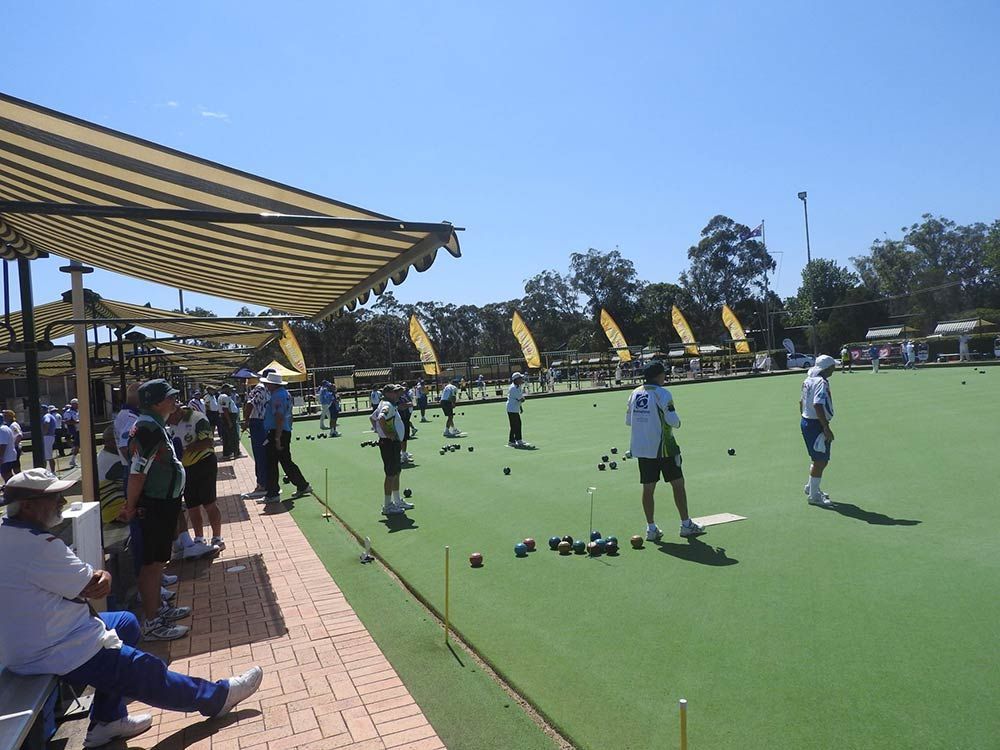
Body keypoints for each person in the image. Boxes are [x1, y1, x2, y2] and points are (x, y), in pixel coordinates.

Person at [0, 468, 263, 748]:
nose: (61, 503)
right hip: (59, 646)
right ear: (27, 506)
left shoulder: (10, 534)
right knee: (147, 671)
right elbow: (93, 584)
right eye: (53, 498)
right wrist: (104, 575)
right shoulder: (40, 545)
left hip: (30, 642)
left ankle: (107, 720)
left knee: (125, 623)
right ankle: (217, 698)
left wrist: (95, 579)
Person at [119, 379, 193, 640]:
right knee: (151, 564)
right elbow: (137, 472)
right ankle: (152, 622)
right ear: (157, 402)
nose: (175, 401)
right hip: (153, 504)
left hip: (162, 502)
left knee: (158, 561)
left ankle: (157, 610)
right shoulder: (147, 428)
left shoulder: (153, 425)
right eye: (170, 397)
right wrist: (130, 506)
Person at [625, 361, 706, 541]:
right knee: (678, 484)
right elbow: (673, 421)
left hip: (642, 449)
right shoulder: (663, 393)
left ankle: (651, 529)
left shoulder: (634, 393)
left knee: (648, 488)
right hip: (664, 448)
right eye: (664, 374)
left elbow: (629, 421)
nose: (665, 376)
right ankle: (686, 525)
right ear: (658, 376)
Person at [168, 404, 225, 551]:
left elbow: (208, 442)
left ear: (177, 412)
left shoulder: (198, 419)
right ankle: (199, 538)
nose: (168, 421)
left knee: (209, 503)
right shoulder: (170, 425)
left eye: (170, 417)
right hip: (185, 469)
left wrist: (186, 449)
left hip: (204, 464)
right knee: (192, 506)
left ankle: (217, 537)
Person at [261, 372, 311, 504]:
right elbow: (289, 415)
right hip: (284, 431)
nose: (266, 385)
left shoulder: (277, 396)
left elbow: (279, 417)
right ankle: (302, 485)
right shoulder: (285, 394)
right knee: (285, 461)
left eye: (267, 383)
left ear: (273, 384)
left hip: (277, 432)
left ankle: (273, 493)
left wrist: (277, 438)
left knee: (271, 463)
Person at [800, 355, 838, 506]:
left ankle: (811, 487)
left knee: (819, 460)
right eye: (833, 367)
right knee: (820, 460)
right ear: (827, 368)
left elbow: (801, 402)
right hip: (816, 424)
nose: (834, 369)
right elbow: (817, 404)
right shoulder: (821, 382)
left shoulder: (808, 380)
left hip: (807, 421)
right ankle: (814, 496)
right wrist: (826, 427)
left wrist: (805, 418)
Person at [371, 385, 414, 516]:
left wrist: (379, 431)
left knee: (396, 472)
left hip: (392, 443)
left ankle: (397, 501)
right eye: (395, 392)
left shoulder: (386, 404)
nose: (397, 394)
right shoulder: (387, 405)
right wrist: (386, 433)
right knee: (390, 474)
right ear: (388, 393)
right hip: (389, 443)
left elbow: (372, 418)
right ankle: (387, 505)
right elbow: (380, 418)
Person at [241, 368, 273, 498]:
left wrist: (246, 421)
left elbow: (250, 403)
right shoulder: (263, 388)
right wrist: (247, 420)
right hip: (260, 422)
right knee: (263, 454)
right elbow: (251, 404)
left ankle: (262, 484)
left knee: (261, 454)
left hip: (259, 423)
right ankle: (264, 483)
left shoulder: (261, 388)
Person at [216, 385, 238, 459]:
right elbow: (225, 410)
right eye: (229, 389)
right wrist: (229, 422)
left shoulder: (223, 396)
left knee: (227, 436)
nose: (230, 390)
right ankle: (234, 452)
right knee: (232, 436)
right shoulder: (224, 397)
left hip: (227, 417)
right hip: (229, 417)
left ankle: (228, 453)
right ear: (225, 389)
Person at [506, 372, 527, 447]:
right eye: (520, 378)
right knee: (514, 425)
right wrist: (523, 399)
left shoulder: (518, 387)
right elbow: (521, 399)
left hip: (515, 408)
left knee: (518, 424)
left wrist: (520, 407)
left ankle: (518, 439)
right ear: (516, 379)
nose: (521, 379)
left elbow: (519, 399)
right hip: (511, 409)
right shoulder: (513, 388)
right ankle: (511, 441)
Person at [397, 383, 415, 464]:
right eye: (401, 390)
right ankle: (398, 456)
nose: (403, 391)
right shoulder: (395, 399)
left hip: (406, 420)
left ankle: (404, 455)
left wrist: (406, 405)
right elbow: (400, 407)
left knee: (405, 438)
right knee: (399, 439)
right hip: (399, 421)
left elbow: (411, 404)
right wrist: (407, 405)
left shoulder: (404, 397)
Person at [64, 398, 81, 469]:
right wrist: (77, 422)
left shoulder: (78, 411)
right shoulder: (68, 412)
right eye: (76, 404)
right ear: (73, 404)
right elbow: (67, 422)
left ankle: (73, 459)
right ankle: (72, 460)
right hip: (75, 431)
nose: (78, 405)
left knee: (78, 445)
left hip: (80, 430)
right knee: (77, 445)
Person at [41, 405, 58, 472]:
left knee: (48, 456)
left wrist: (44, 433)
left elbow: (46, 422)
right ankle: (47, 471)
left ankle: (52, 472)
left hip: (47, 437)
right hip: (50, 436)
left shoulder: (46, 416)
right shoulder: (50, 416)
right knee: (46, 456)